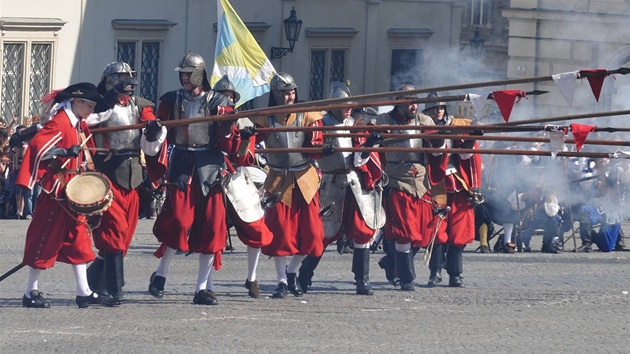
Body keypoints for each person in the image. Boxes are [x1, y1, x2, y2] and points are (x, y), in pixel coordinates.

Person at [147, 52, 238, 306]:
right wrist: (154, 130)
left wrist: (230, 127)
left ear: (199, 74)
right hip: (182, 164)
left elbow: (228, 142)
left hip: (209, 166)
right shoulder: (170, 100)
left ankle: (201, 289)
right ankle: (161, 275)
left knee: (211, 227)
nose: (184, 78)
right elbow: (160, 132)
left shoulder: (218, 101)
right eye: (182, 73)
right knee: (177, 220)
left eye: (189, 73)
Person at [15, 82, 112, 308]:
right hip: (56, 192)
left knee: (79, 240)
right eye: (89, 105)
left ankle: (84, 291)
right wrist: (65, 151)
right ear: (77, 102)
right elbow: (38, 147)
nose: (91, 110)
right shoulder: (60, 122)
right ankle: (30, 292)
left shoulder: (76, 122)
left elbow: (102, 116)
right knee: (44, 240)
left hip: (70, 191)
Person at [84, 61, 168, 306]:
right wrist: (108, 100)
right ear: (110, 81)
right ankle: (114, 288)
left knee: (125, 235)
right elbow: (88, 122)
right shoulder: (98, 106)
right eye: (121, 79)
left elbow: (151, 141)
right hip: (108, 173)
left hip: (132, 174)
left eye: (129, 78)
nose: (127, 83)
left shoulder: (140, 105)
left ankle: (94, 279)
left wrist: (152, 132)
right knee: (113, 233)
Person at [296, 82, 385, 295]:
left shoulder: (356, 125)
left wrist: (370, 145)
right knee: (323, 234)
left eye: (349, 105)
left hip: (355, 183)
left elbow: (359, 158)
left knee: (363, 231)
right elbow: (309, 151)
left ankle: (362, 280)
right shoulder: (320, 124)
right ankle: (304, 276)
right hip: (331, 182)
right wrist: (320, 151)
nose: (347, 109)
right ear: (333, 105)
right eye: (343, 105)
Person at [250, 72, 329, 299]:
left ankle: (292, 271)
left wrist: (323, 149)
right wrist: (247, 136)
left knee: (314, 235)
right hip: (278, 180)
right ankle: (282, 280)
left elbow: (315, 146)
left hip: (305, 179)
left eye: (292, 92)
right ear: (276, 95)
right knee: (282, 236)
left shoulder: (307, 116)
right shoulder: (265, 119)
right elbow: (248, 148)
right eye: (285, 93)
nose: (290, 97)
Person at [373, 84, 440, 291]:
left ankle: (391, 263)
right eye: (409, 101)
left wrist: (440, 137)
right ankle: (406, 278)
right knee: (404, 232)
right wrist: (370, 133)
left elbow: (436, 146)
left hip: (420, 180)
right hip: (396, 179)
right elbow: (367, 130)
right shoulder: (384, 121)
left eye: (415, 101)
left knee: (422, 234)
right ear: (399, 103)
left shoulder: (424, 120)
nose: (414, 105)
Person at [212, 74, 273, 298]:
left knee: (256, 228)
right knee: (211, 232)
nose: (226, 101)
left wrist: (246, 139)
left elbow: (244, 158)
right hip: (211, 178)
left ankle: (252, 276)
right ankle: (205, 284)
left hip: (236, 178)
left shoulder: (244, 122)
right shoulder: (207, 119)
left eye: (229, 97)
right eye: (222, 97)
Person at [424, 92, 483, 287]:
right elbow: (435, 151)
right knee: (437, 232)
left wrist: (471, 137)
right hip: (434, 183)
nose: (438, 111)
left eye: (441, 108)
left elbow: (465, 155)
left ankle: (455, 274)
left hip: (458, 183)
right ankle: (435, 272)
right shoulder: (424, 126)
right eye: (434, 108)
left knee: (458, 233)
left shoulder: (458, 125)